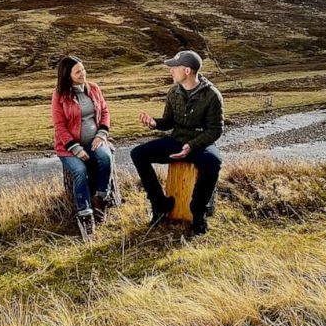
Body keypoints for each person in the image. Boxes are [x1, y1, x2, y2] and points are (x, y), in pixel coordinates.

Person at [131, 50, 223, 236]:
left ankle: (198, 212)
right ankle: (160, 204)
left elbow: (215, 130)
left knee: (213, 163)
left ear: (187, 70)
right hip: (176, 140)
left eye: (174, 67)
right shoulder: (173, 92)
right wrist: (155, 123)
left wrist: (192, 146)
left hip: (199, 145)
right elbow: (169, 121)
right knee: (138, 153)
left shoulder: (212, 95)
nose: (171, 71)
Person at [51, 56, 112, 228]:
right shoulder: (59, 95)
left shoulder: (93, 88)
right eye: (78, 72)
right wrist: (75, 148)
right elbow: (59, 126)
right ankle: (85, 214)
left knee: (106, 158)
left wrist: (101, 134)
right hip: (69, 147)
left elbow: (105, 112)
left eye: (83, 69)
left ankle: (101, 197)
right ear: (67, 75)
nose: (83, 74)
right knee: (79, 170)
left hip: (95, 140)